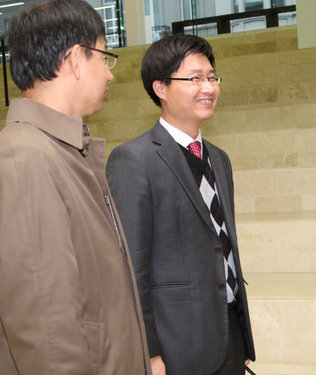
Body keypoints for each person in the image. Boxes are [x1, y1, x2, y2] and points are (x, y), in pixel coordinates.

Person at [0, 1, 151, 374]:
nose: (111, 75)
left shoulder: (64, 150)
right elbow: (46, 330)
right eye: (104, 57)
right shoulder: (23, 158)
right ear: (74, 60)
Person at [106, 34, 256, 375]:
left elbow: (224, 247)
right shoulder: (133, 160)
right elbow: (131, 269)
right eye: (194, 78)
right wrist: (150, 352)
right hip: (176, 347)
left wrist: (241, 337)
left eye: (211, 77)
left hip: (227, 333)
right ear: (160, 88)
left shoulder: (219, 158)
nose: (208, 87)